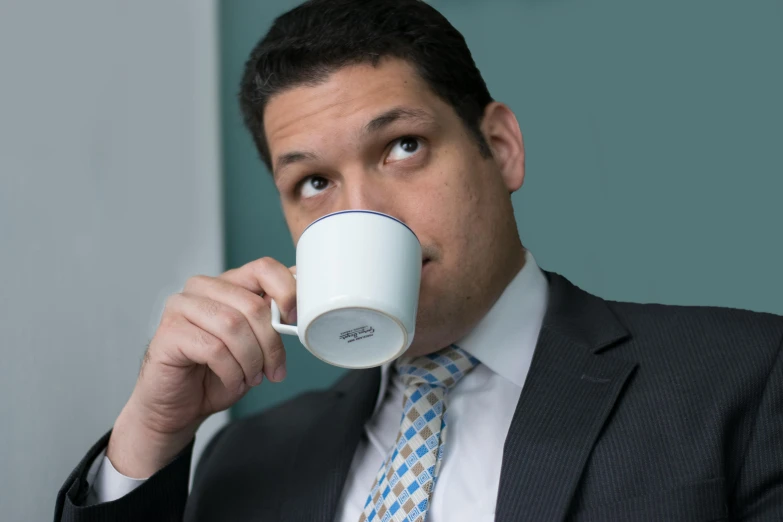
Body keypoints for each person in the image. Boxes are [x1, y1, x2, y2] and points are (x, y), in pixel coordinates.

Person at [54, 0, 783, 520]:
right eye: (313, 182)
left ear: (499, 148)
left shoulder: (741, 378)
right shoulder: (245, 458)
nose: (360, 211)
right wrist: (147, 444)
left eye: (402, 145)